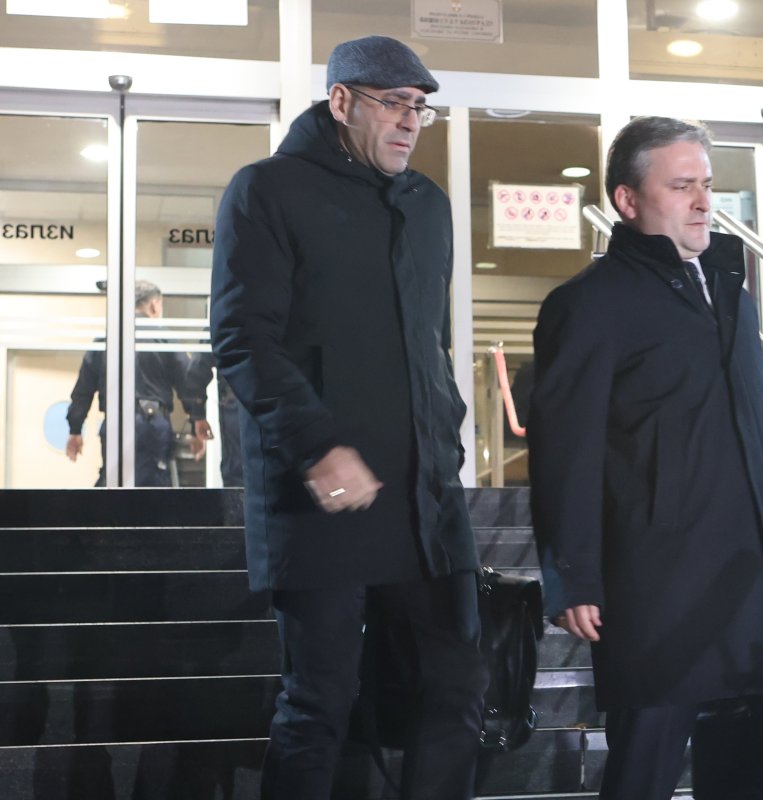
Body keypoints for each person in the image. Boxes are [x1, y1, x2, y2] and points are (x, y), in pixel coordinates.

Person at [528, 117, 763, 799]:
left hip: (758, 574)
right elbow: (565, 450)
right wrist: (573, 576)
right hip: (661, 581)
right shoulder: (588, 304)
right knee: (644, 773)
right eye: (682, 186)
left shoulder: (732, 296)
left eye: (707, 184)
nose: (704, 201)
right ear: (628, 200)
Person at [208, 35, 486, 800]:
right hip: (322, 496)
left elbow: (429, 344)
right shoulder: (267, 189)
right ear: (340, 102)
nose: (410, 121)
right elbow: (242, 338)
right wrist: (318, 445)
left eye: (420, 108)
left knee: (457, 688)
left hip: (424, 499)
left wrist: (445, 435)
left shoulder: (429, 206)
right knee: (321, 702)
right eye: (393, 103)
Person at [66, 279, 211, 486]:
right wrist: (197, 419)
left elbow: (83, 390)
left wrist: (75, 429)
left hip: (114, 423)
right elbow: (188, 382)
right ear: (154, 305)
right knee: (151, 490)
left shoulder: (107, 339)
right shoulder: (162, 338)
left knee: (114, 483)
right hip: (151, 425)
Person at [185, 353, 244, 487]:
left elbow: (197, 366)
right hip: (279, 403)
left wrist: (198, 415)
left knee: (238, 477)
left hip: (236, 403)